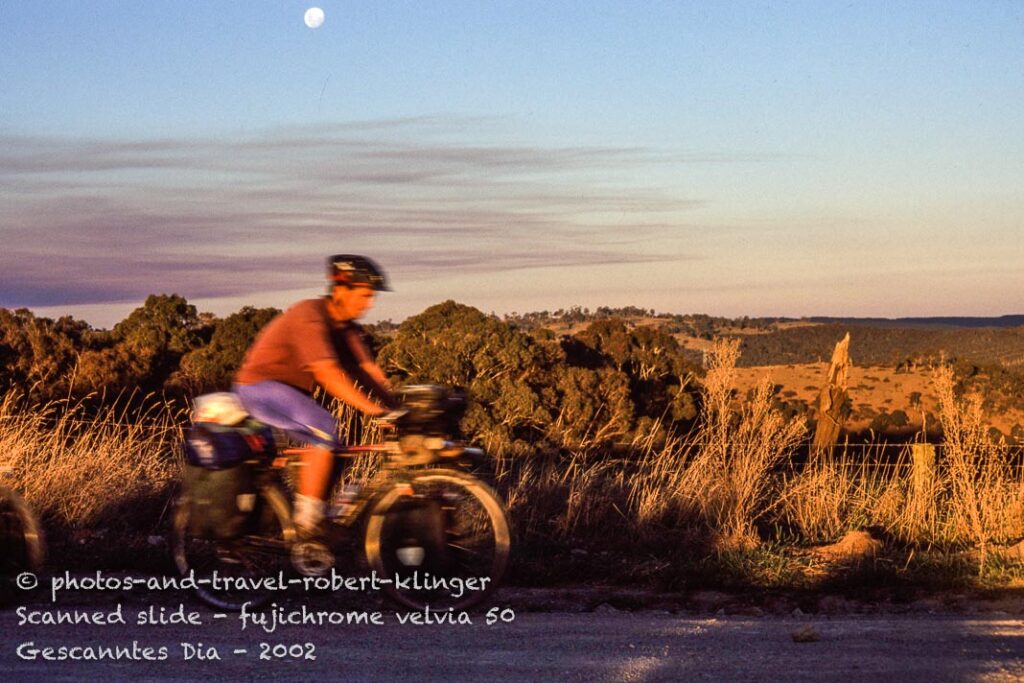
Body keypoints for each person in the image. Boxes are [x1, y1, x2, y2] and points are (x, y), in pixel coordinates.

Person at [232, 254, 396, 537]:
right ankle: (308, 523)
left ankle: (316, 513)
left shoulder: (346, 329)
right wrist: (375, 411)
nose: (369, 303)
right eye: (364, 295)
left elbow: (366, 370)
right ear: (341, 288)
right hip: (259, 389)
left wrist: (398, 406)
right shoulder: (310, 314)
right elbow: (327, 373)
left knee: (338, 447)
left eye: (372, 297)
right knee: (325, 428)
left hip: (288, 392)